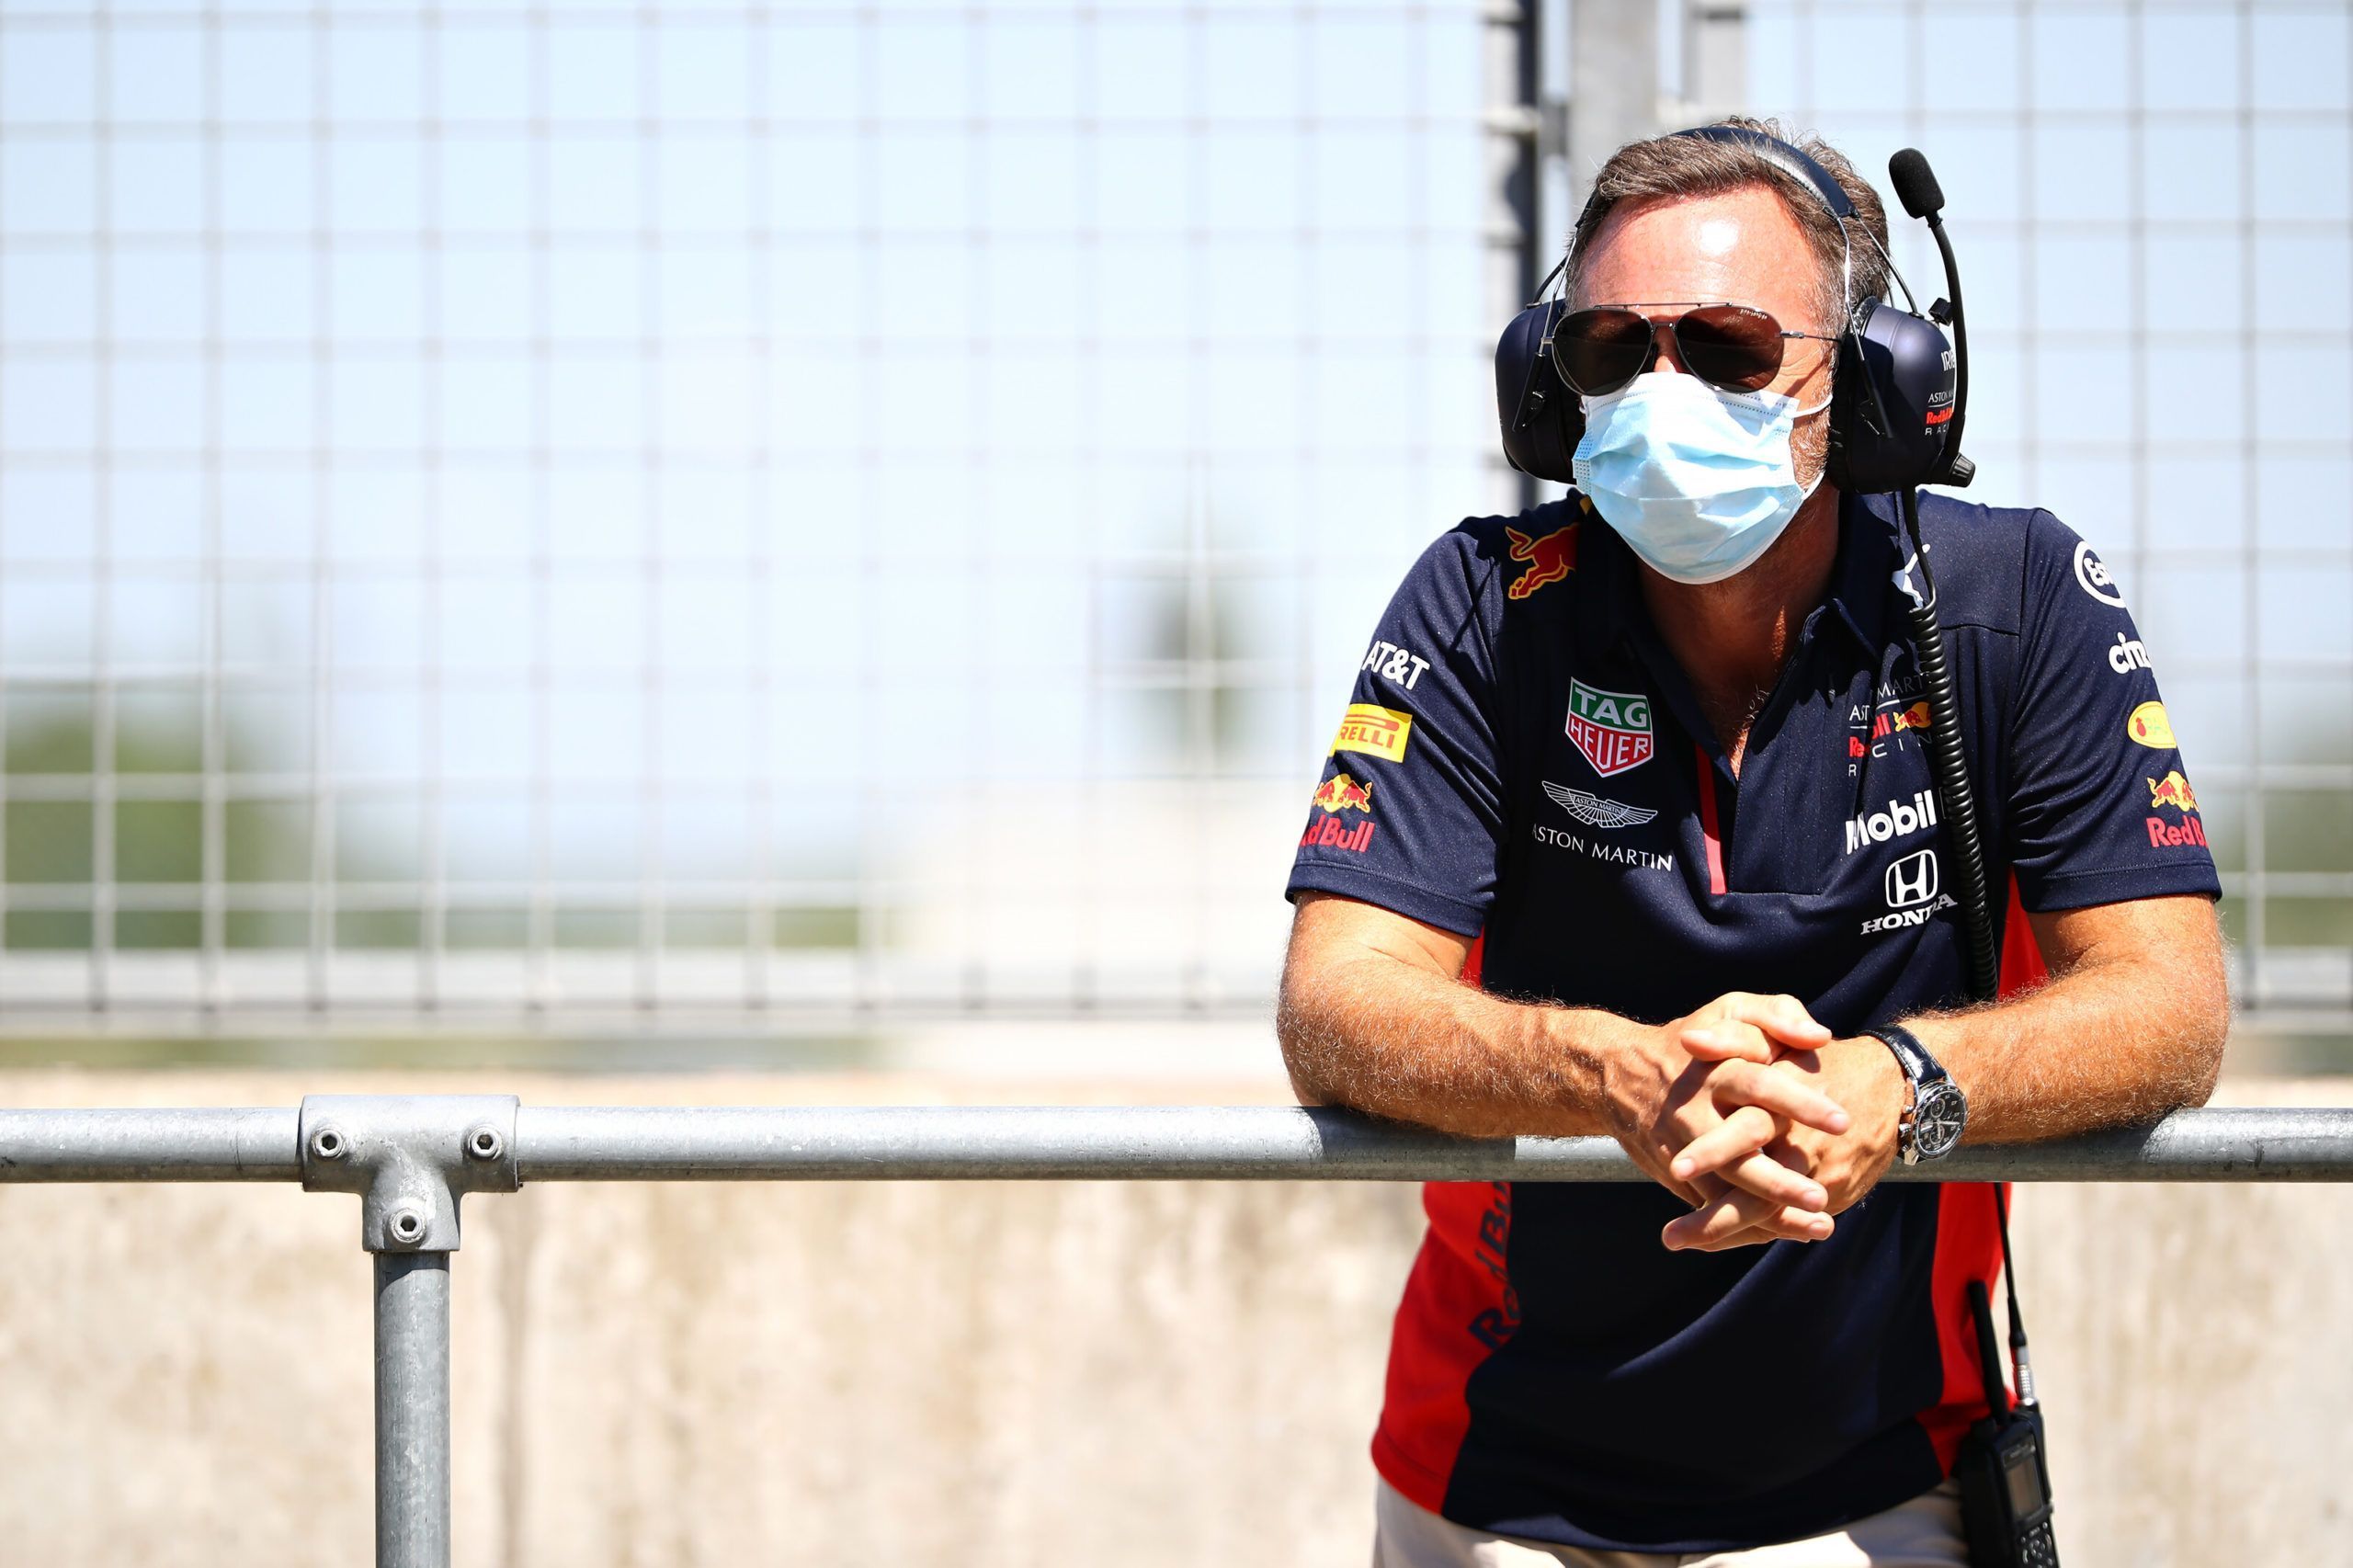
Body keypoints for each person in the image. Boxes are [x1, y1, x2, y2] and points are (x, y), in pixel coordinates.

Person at [1277, 118, 2229, 1567]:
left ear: (1874, 383)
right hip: (1495, 1474)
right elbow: (1334, 1005)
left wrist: (1897, 1085)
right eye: (1611, 351)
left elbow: (2173, 1003)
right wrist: (1614, 1074)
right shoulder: (1479, 602)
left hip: (1879, 1473)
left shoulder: (2018, 598)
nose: (1661, 394)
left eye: (1728, 349)